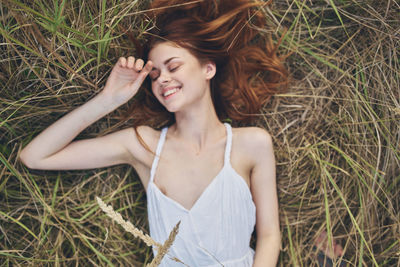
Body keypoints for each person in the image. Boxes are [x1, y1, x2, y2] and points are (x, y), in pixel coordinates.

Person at [19, 0, 288, 266]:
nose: (162, 80)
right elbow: (35, 157)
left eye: (173, 67)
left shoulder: (252, 144)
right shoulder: (144, 146)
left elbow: (269, 235)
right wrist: (108, 99)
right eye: (155, 75)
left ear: (208, 68)